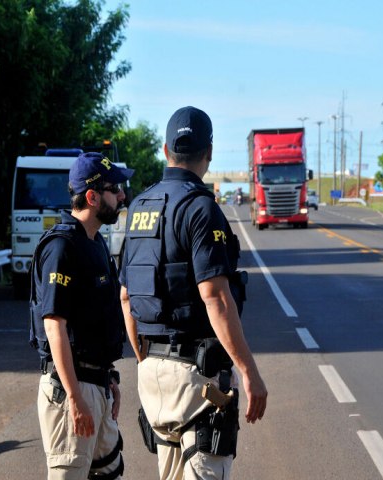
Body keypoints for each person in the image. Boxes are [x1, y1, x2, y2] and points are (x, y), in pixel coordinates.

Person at [119, 106, 267, 480]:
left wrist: (143, 358)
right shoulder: (201, 208)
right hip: (195, 380)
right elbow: (215, 297)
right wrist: (249, 371)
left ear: (166, 150)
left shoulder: (139, 206)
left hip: (151, 375)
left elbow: (125, 296)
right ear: (210, 152)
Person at [29, 151, 134, 480]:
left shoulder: (96, 243)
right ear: (91, 196)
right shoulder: (62, 247)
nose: (122, 195)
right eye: (114, 189)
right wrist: (75, 398)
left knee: (109, 473)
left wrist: (109, 377)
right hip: (71, 390)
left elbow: (93, 323)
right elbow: (53, 327)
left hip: (96, 386)